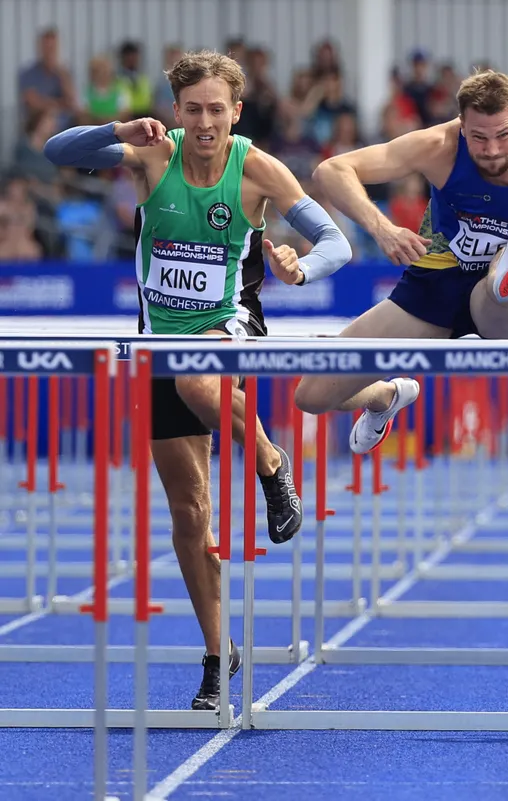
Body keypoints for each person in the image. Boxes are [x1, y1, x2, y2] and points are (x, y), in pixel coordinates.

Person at [43, 50, 352, 711]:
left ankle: (272, 463)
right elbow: (55, 149)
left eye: (218, 109)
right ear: (177, 110)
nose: (205, 122)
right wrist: (119, 132)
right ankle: (218, 653)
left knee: (193, 379)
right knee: (188, 512)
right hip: (160, 341)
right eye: (193, 110)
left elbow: (338, 245)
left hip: (233, 327)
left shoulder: (258, 169)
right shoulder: (153, 156)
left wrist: (302, 267)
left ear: (235, 112)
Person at [292, 69, 508, 449]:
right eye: (479, 138)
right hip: (438, 282)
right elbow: (332, 170)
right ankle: (384, 397)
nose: (493, 150)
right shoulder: (439, 146)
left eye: (504, 135)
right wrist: (384, 229)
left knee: (502, 292)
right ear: (462, 126)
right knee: (312, 395)